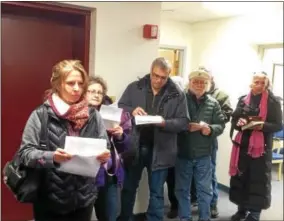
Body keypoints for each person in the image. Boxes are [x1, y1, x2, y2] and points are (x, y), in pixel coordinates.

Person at [18, 60, 111, 221]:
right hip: (50, 200)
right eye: (70, 83)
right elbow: (25, 154)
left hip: (84, 199)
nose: (76, 88)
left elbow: (104, 145)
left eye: (80, 83)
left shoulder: (93, 115)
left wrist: (104, 156)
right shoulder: (41, 115)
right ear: (58, 85)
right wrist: (52, 157)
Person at [117, 57, 189, 221]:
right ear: (150, 71)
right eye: (155, 76)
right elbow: (121, 108)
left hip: (162, 150)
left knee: (157, 192)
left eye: (163, 77)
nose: (158, 80)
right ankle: (125, 218)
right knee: (129, 188)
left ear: (169, 75)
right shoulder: (134, 88)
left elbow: (183, 122)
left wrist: (164, 123)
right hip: (135, 147)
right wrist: (132, 110)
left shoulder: (177, 94)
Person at [229, 71, 282, 221]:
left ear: (267, 84)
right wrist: (238, 124)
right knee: (241, 178)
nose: (259, 85)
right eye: (256, 82)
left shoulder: (273, 101)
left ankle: (254, 214)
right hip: (243, 146)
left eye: (262, 83)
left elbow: (278, 125)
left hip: (262, 148)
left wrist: (262, 126)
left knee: (257, 181)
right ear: (251, 83)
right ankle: (242, 209)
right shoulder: (242, 100)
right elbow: (235, 120)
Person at [175, 69, 225, 221]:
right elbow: (172, 121)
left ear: (208, 85)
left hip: (204, 154)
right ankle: (185, 218)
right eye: (195, 81)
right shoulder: (180, 99)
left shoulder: (213, 103)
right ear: (189, 83)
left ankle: (204, 218)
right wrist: (184, 126)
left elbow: (220, 125)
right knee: (182, 190)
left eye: (202, 82)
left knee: (205, 191)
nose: (198, 84)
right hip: (183, 153)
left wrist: (209, 129)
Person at [190, 66, 233, 218]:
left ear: (211, 79)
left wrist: (210, 124)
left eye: (205, 79)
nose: (200, 83)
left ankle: (212, 204)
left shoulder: (220, 95)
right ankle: (199, 200)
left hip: (209, 140)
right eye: (198, 80)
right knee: (195, 175)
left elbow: (226, 116)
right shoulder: (189, 92)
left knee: (210, 173)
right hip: (192, 140)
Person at [86, 76, 131, 221]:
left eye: (99, 92)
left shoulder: (113, 113)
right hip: (84, 176)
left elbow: (124, 147)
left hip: (108, 175)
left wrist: (120, 136)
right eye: (92, 91)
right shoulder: (76, 114)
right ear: (84, 93)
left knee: (110, 216)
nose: (96, 95)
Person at [166, 75, 186, 219]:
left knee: (179, 179)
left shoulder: (184, 100)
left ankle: (178, 205)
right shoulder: (167, 101)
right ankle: (174, 204)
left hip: (182, 147)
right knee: (170, 177)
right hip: (167, 146)